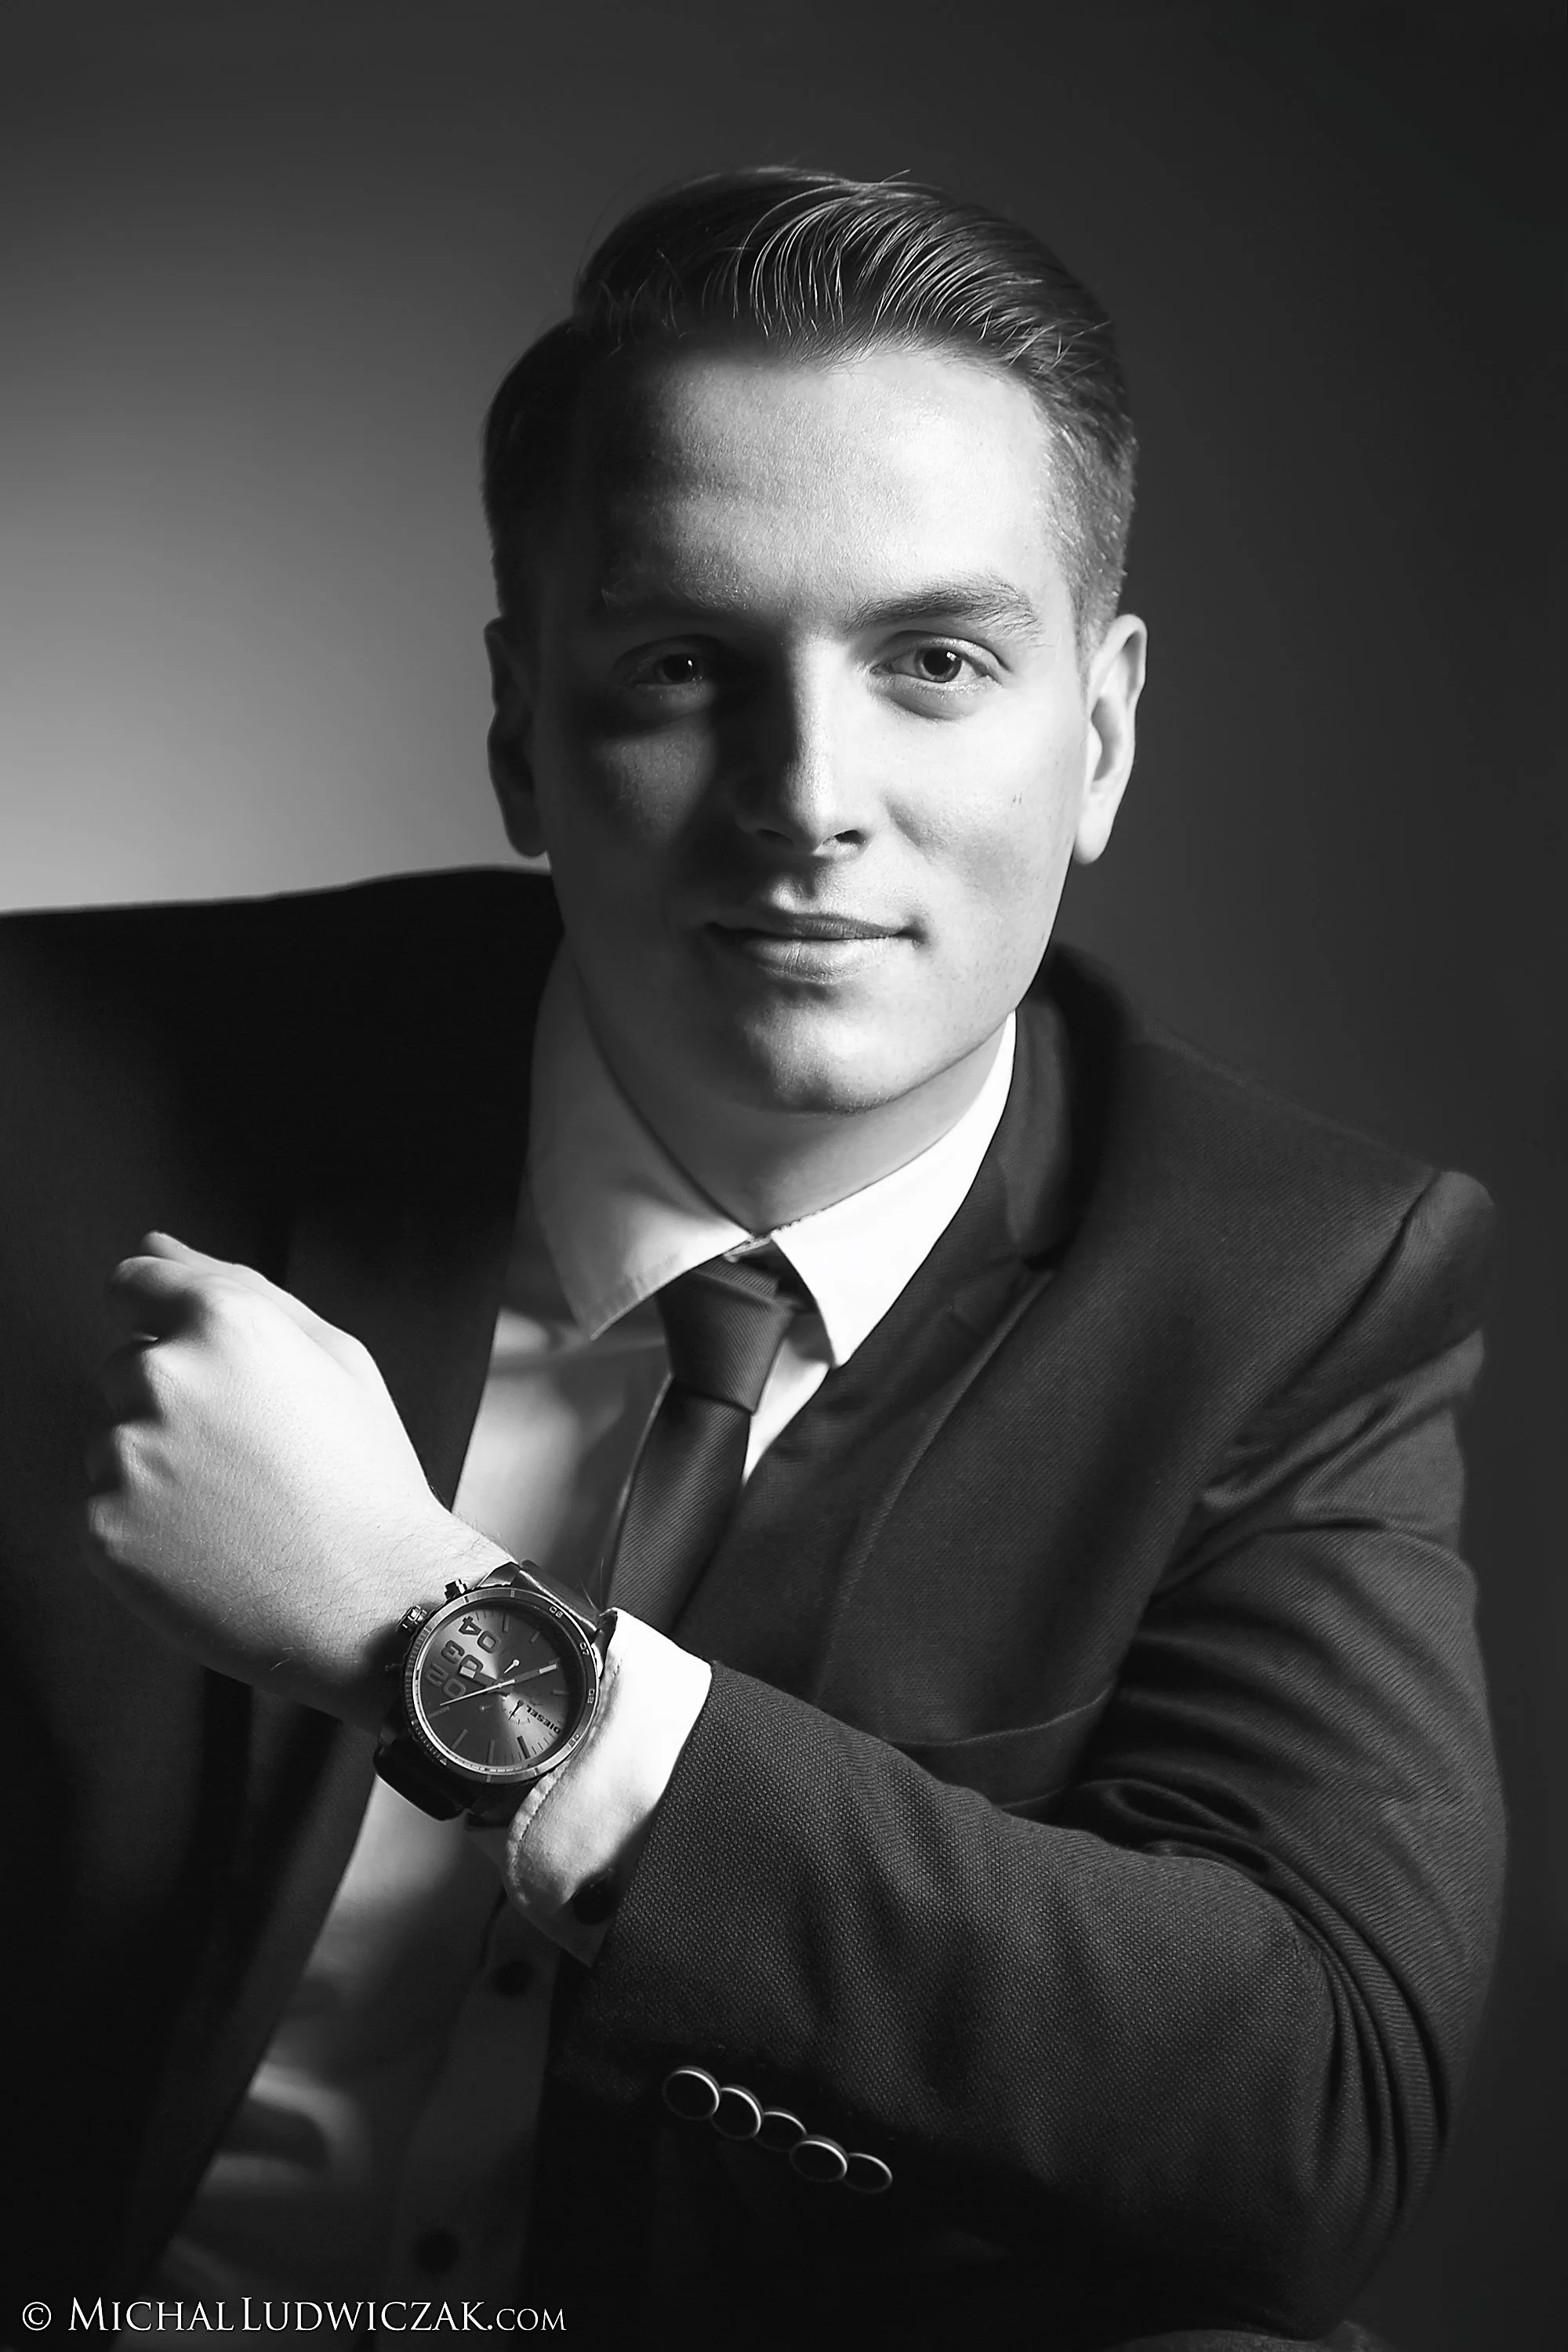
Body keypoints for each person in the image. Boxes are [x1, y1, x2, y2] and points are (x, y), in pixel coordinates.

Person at [1, 169, 1502, 2352]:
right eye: (687, 663)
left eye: (938, 661)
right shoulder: (43, 1097)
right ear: (526, 729)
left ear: (1099, 734)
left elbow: (1310, 2119)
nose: (809, 792)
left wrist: (437, 1639)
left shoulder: (1292, 1283)